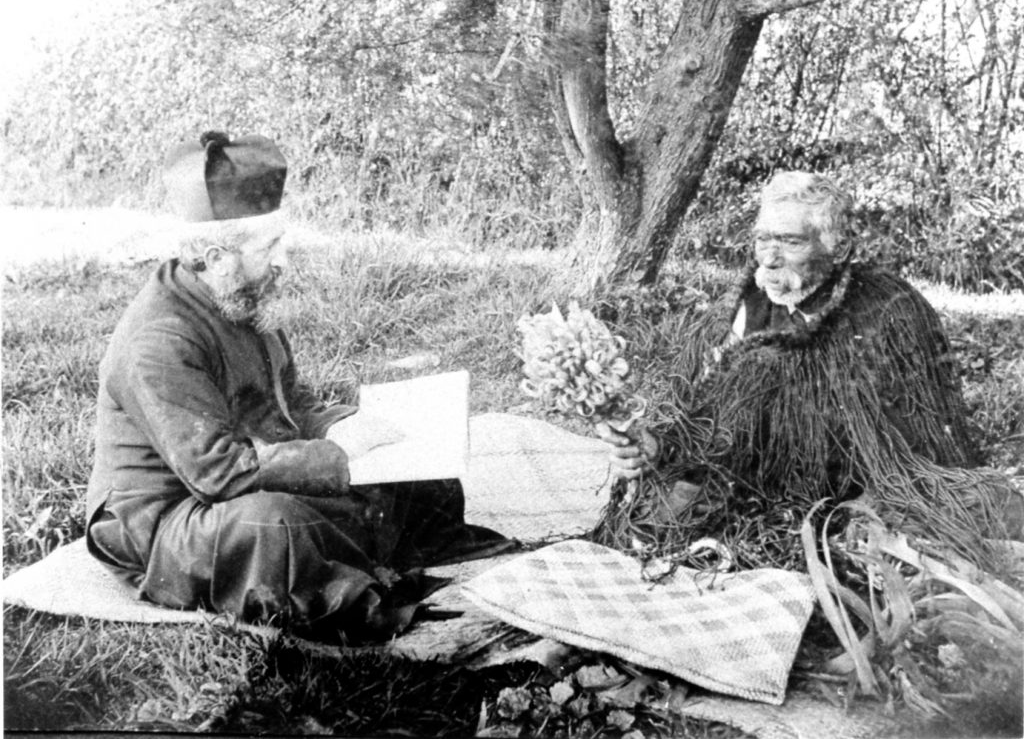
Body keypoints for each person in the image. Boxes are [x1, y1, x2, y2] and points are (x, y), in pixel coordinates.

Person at [85, 131, 510, 641]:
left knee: (413, 466)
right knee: (277, 525)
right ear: (218, 256)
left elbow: (291, 404)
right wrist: (339, 460)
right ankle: (368, 578)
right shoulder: (158, 341)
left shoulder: (239, 297)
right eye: (270, 247)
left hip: (233, 478)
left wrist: (350, 426)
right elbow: (217, 472)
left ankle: (394, 555)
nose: (282, 259)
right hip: (166, 520)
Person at [595, 170, 1022, 565]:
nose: (770, 258)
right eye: (763, 240)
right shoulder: (748, 303)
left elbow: (913, 439)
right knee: (655, 521)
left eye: (791, 241)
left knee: (929, 532)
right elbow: (707, 412)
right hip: (756, 482)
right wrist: (661, 447)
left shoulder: (889, 309)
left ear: (837, 249)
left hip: (860, 481)